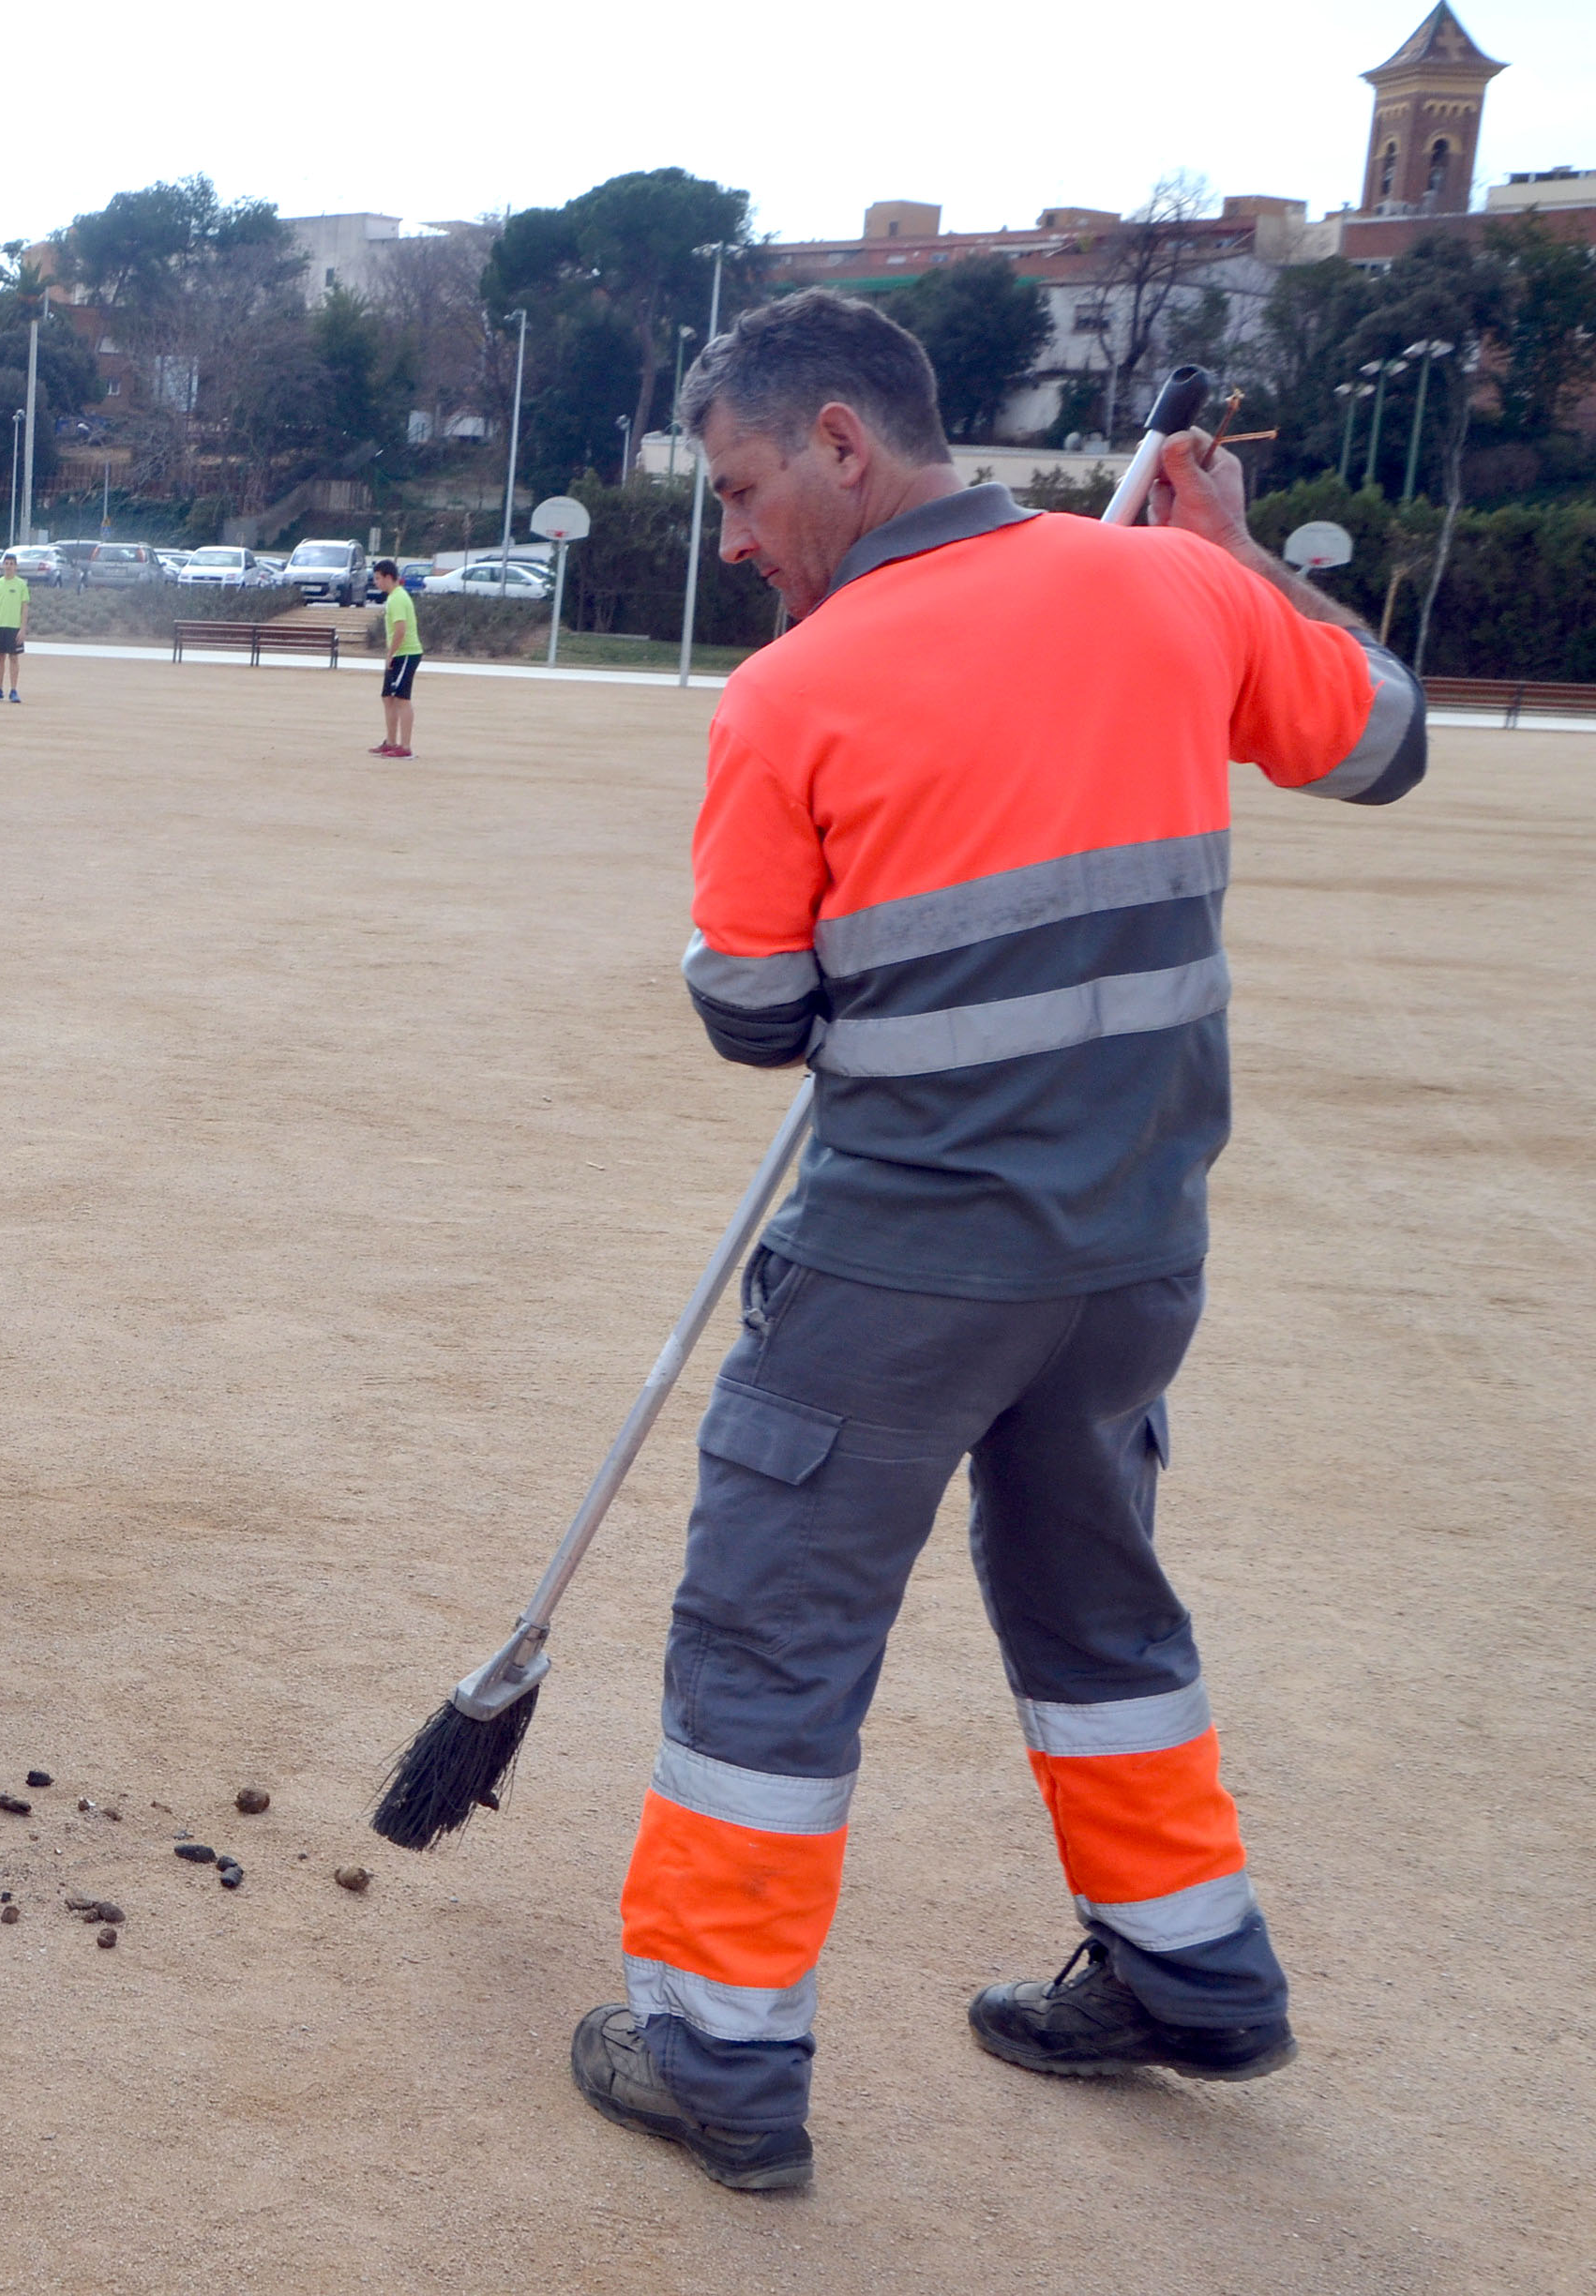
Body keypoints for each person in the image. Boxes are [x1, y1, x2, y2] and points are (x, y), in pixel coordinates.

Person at [569, 290, 1423, 2192]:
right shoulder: (1184, 601)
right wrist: (1250, 573)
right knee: (1100, 1613)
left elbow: (751, 1010)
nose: (728, 537)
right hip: (1132, 1258)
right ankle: (1194, 1978)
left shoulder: (793, 691)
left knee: (770, 1641)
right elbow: (1388, 743)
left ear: (842, 446)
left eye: (737, 488)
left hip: (901, 1271)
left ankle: (718, 2051)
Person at [370, 559, 419, 755]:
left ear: (389, 577)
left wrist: (391, 654)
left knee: (402, 698)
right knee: (387, 697)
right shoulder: (393, 597)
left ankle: (405, 747)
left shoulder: (398, 598)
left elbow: (401, 630)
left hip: (406, 653)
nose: (376, 582)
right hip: (398, 653)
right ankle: (391, 741)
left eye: (378, 578)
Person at [0, 551, 29, 702]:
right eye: (6, 563)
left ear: (16, 566)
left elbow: (25, 608)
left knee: (14, 658)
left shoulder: (21, 585)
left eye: (11, 564)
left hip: (14, 627)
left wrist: (22, 629)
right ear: (3, 566)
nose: (8, 566)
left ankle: (14, 691)